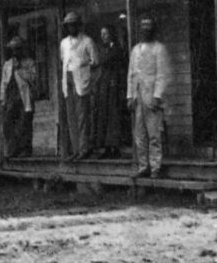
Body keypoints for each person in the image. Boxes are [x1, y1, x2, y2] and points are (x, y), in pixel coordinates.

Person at [127, 15, 171, 180]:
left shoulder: (159, 49)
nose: (145, 30)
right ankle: (143, 166)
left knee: (154, 134)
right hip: (138, 98)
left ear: (153, 29)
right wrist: (130, 96)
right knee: (139, 135)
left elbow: (162, 74)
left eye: (149, 27)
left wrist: (157, 95)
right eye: (143, 27)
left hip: (152, 97)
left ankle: (155, 167)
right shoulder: (135, 50)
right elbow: (131, 74)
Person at [57, 13, 97, 162]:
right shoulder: (64, 43)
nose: (71, 27)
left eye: (74, 24)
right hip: (68, 79)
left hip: (81, 80)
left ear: (79, 25)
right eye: (68, 25)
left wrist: (82, 67)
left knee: (82, 116)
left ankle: (84, 148)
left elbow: (95, 62)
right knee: (71, 116)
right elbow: (63, 59)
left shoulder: (87, 41)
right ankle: (76, 149)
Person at [94, 22, 129, 158]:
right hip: (104, 84)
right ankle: (107, 148)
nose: (103, 36)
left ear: (111, 35)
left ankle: (115, 147)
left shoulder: (116, 49)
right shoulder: (103, 50)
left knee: (113, 116)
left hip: (114, 84)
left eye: (106, 34)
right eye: (102, 34)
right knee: (104, 115)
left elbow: (110, 62)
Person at [1, 36, 38, 159]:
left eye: (18, 49)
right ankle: (12, 150)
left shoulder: (29, 63)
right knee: (8, 124)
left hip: (24, 98)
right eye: (13, 50)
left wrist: (20, 70)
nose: (15, 52)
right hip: (11, 98)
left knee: (24, 124)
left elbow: (33, 78)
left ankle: (25, 150)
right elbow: (4, 83)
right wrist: (3, 99)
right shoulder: (7, 65)